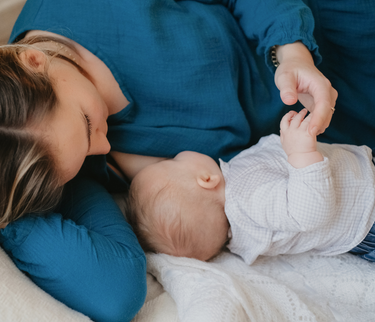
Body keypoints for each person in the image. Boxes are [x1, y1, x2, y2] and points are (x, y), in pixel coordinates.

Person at [0, 0, 374, 320]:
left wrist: (289, 51)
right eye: (82, 154)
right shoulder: (46, 167)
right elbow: (114, 290)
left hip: (333, 37)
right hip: (340, 159)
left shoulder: (83, 7)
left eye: (86, 124)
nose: (102, 149)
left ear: (33, 61)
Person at [126, 109, 375, 264]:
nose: (173, 155)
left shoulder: (242, 215)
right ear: (205, 179)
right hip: (368, 206)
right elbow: (309, 212)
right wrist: (301, 153)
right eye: (172, 161)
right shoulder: (246, 196)